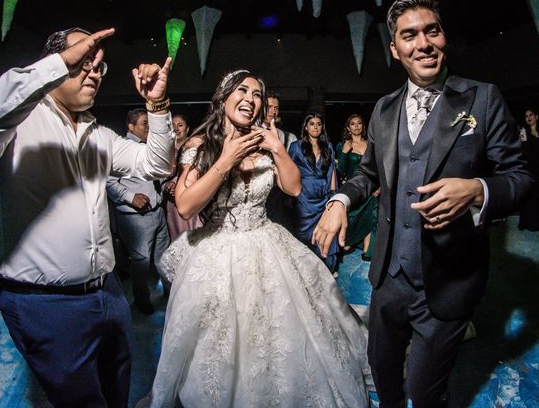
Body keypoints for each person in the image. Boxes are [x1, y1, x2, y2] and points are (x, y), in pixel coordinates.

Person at [313, 0, 532, 408]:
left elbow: (520, 179)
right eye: (409, 36)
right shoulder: (383, 109)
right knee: (384, 375)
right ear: (396, 49)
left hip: (449, 278)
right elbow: (368, 174)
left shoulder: (482, 98)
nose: (423, 43)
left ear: (443, 36)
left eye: (431, 31)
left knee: (426, 389)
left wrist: (478, 189)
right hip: (389, 277)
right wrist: (340, 200)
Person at [0, 27, 175, 407]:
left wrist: (158, 106)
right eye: (82, 61)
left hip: (107, 292)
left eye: (99, 67)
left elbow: (158, 163)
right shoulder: (16, 123)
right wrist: (53, 66)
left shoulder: (98, 134)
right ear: (56, 63)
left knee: (116, 392)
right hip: (45, 304)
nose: (92, 72)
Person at [145, 70, 373, 407]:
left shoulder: (263, 141)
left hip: (267, 241)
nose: (251, 100)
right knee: (224, 340)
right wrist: (226, 160)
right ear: (223, 98)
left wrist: (277, 149)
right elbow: (185, 203)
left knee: (278, 333)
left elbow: (293, 187)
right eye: (243, 91)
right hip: (219, 250)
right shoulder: (200, 144)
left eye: (257, 95)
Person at [107, 108, 171, 315]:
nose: (149, 127)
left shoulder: (149, 147)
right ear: (131, 127)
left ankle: (171, 295)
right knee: (141, 261)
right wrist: (130, 197)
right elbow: (107, 180)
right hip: (136, 217)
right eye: (145, 123)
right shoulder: (121, 148)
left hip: (157, 211)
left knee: (165, 256)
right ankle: (142, 300)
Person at [288, 113, 338, 271]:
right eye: (312, 124)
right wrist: (290, 196)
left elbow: (332, 172)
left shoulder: (328, 146)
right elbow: (289, 171)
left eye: (318, 124)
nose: (315, 127)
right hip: (304, 199)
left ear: (322, 127)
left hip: (324, 197)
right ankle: (306, 269)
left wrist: (333, 196)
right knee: (304, 235)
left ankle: (327, 269)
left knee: (327, 232)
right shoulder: (296, 146)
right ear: (305, 126)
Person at [335, 114, 379, 262]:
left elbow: (378, 168)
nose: (356, 126)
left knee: (372, 215)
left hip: (371, 187)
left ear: (363, 126)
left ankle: (368, 252)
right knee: (349, 225)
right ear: (348, 127)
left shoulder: (371, 144)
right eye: (353, 124)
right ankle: (348, 242)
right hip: (351, 190)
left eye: (359, 123)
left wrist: (379, 186)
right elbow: (340, 170)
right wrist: (344, 153)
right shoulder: (343, 145)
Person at [164, 114, 202, 242]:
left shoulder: (196, 147)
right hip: (171, 200)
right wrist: (166, 185)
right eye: (173, 125)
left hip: (192, 194)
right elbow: (159, 176)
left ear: (187, 129)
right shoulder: (165, 151)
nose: (176, 128)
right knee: (176, 235)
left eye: (180, 125)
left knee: (194, 232)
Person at [264, 92, 297, 230]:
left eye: (276, 107)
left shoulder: (289, 137)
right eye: (269, 106)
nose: (273, 111)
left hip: (280, 193)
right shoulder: (251, 133)